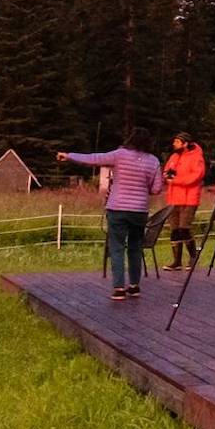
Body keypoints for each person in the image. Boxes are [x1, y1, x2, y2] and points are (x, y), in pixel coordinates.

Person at [59, 127, 164, 301]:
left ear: (131, 139)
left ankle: (119, 288)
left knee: (117, 247)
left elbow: (94, 159)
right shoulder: (153, 161)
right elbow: (156, 189)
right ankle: (134, 286)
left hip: (117, 208)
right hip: (139, 211)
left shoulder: (120, 155)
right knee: (135, 247)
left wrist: (69, 155)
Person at [161, 132, 206, 270]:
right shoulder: (174, 156)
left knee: (184, 229)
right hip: (173, 198)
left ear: (185, 143)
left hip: (189, 198)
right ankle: (177, 261)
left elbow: (196, 176)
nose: (174, 144)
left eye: (177, 142)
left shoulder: (197, 157)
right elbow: (167, 171)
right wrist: (167, 176)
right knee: (174, 230)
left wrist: (176, 180)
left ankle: (193, 257)